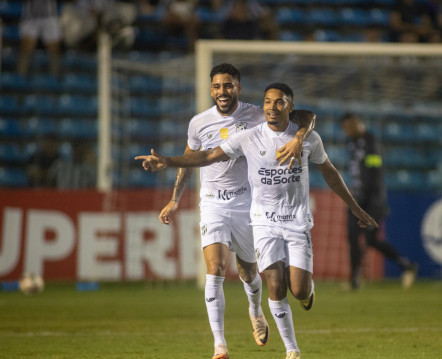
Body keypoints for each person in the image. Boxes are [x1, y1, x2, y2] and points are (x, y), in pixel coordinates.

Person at [136, 83, 377, 359]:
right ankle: (292, 350)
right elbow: (207, 155)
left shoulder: (309, 139)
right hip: (263, 222)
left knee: (298, 290)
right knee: (274, 284)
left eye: (279, 103)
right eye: (267, 102)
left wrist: (355, 208)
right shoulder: (249, 137)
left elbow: (331, 173)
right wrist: (167, 161)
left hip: (297, 222)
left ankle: (307, 292)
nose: (272, 108)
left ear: (290, 107)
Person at [339, 113, 418, 290]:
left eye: (351, 125)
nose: (348, 130)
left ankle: (406, 265)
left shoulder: (371, 142)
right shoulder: (351, 144)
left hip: (371, 201)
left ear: (360, 123)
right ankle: (355, 280)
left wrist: (373, 202)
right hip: (357, 200)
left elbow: (375, 173)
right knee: (352, 237)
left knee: (370, 239)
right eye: (345, 127)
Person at [17, 0, 62, 77]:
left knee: (54, 50)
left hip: (49, 17)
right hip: (30, 16)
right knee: (26, 49)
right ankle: (20, 77)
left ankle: (55, 78)